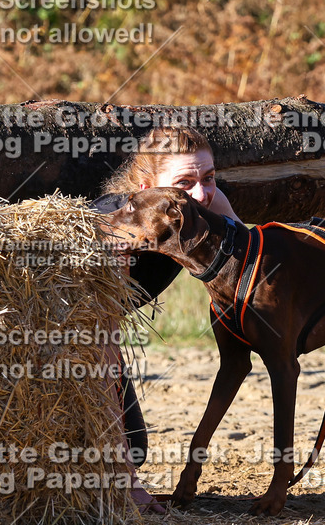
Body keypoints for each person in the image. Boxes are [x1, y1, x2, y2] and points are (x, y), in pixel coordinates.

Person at [91, 126, 240, 468]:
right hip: (66, 334)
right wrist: (128, 482)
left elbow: (254, 265)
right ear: (146, 189)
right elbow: (103, 344)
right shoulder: (119, 234)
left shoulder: (208, 201)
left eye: (209, 177)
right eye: (184, 182)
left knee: (134, 451)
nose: (201, 194)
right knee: (128, 451)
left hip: (100, 337)